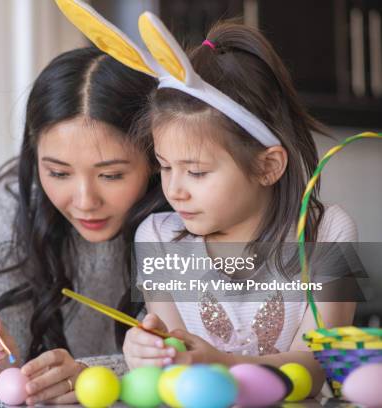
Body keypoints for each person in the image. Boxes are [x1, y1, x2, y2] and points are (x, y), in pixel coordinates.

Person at [119, 19, 357, 397]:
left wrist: (222, 363)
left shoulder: (326, 232)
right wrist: (148, 351)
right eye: (165, 167)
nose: (174, 190)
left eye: (196, 172)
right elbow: (171, 360)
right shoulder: (158, 238)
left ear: (267, 166)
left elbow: (316, 371)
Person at [0, 47, 169, 405]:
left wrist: (95, 376)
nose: (85, 200)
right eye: (58, 173)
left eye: (111, 175)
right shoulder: (15, 204)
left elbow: (197, 356)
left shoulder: (183, 214)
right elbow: (11, 366)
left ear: (153, 159)